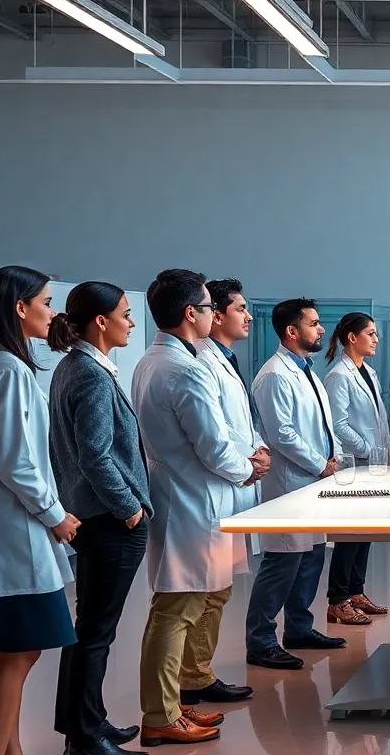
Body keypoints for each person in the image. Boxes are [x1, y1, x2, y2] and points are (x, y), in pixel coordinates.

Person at [131, 269, 267, 747]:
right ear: (192, 313)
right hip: (194, 499)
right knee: (176, 608)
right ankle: (160, 714)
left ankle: (179, 695)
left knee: (193, 601)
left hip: (191, 496)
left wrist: (243, 459)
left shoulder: (157, 361)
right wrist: (248, 467)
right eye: (211, 307)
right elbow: (213, 445)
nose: (214, 314)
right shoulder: (184, 369)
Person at [0, 266, 80, 755]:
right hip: (14, 522)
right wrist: (56, 514)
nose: (52, 312)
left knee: (6, 652)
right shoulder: (10, 368)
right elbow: (16, 462)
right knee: (19, 652)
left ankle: (10, 749)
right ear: (21, 307)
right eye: (47, 301)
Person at [47, 282, 151, 755]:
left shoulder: (75, 366)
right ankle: (85, 738)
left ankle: (88, 722)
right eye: (126, 315)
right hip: (109, 520)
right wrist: (127, 507)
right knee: (95, 632)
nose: (132, 322)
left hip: (93, 516)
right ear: (102, 321)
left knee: (89, 628)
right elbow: (94, 454)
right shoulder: (89, 372)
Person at [246, 298, 346, 671]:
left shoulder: (305, 370)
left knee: (310, 558)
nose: (321, 330)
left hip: (313, 480)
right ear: (292, 331)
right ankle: (260, 640)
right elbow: (282, 434)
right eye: (314, 324)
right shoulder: (274, 375)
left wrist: (327, 464)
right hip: (292, 481)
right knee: (282, 562)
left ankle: (300, 628)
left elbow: (319, 425)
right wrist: (321, 464)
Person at [181, 277, 261, 707]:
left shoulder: (222, 359)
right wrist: (247, 465)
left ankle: (198, 672)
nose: (247, 315)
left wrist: (256, 450)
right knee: (201, 595)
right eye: (237, 308)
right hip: (209, 487)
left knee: (217, 591)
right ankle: (194, 676)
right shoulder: (201, 363)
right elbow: (214, 435)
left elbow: (237, 424)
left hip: (228, 483)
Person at [323, 312, 390, 625]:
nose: (376, 339)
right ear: (352, 338)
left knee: (364, 531)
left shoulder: (368, 372)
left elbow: (379, 418)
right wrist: (370, 451)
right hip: (356, 464)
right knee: (350, 533)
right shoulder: (339, 375)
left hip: (374, 463)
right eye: (371, 334)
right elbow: (338, 425)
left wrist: (386, 447)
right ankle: (338, 599)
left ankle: (356, 591)